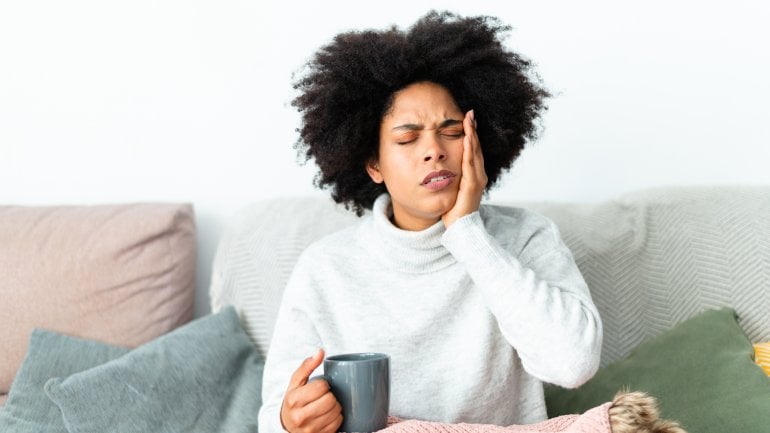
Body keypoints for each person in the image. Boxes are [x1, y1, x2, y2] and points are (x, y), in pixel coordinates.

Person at [258, 10, 603, 433]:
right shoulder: (326, 267)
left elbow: (574, 364)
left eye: (453, 131)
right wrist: (291, 419)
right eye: (407, 138)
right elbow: (274, 414)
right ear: (373, 164)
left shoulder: (526, 237)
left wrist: (467, 232)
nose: (434, 150)